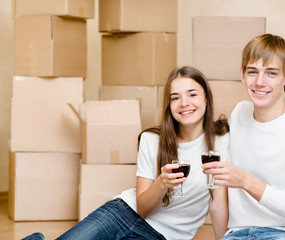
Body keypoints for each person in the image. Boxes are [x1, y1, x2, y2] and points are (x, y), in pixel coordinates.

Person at [23, 66, 229, 240]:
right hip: (122, 212)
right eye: (175, 98)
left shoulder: (221, 141)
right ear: (169, 105)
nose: (185, 103)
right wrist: (162, 183)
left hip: (165, 236)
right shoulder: (152, 139)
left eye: (192, 94)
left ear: (206, 98)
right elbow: (142, 208)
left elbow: (218, 201)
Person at [202, 34, 285, 240]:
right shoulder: (239, 114)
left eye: (271, 73)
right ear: (242, 74)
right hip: (238, 233)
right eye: (253, 72)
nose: (260, 82)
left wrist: (245, 181)